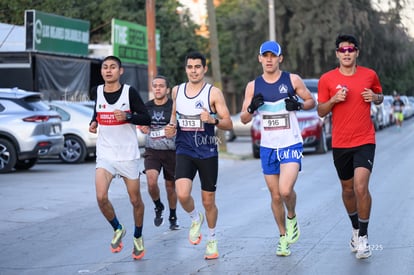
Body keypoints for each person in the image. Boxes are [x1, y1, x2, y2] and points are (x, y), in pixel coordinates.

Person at [240, 41, 315, 257]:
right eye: (266, 56)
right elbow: (244, 118)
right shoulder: (253, 86)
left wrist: (299, 105)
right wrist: (252, 107)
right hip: (268, 146)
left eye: (274, 56)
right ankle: (283, 238)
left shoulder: (292, 80)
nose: (269, 59)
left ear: (280, 58)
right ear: (260, 58)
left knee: (285, 190)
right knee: (274, 196)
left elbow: (311, 101)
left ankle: (291, 215)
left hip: (290, 142)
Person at [317, 34, 383, 259]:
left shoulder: (369, 74)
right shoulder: (326, 79)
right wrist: (334, 100)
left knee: (360, 187)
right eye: (342, 50)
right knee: (347, 189)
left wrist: (375, 97)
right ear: (337, 53)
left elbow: (380, 95)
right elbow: (320, 111)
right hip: (341, 142)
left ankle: (363, 237)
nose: (347, 53)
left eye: (350, 50)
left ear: (357, 53)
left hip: (365, 139)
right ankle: (355, 229)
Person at [164, 51, 233, 260]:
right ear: (185, 69)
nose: (193, 71)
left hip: (207, 150)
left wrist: (212, 119)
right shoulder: (177, 91)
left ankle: (212, 240)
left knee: (208, 200)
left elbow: (228, 123)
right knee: (182, 194)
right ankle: (195, 218)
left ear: (204, 69)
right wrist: (171, 127)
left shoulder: (213, 93)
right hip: (184, 149)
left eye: (197, 67)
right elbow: (174, 115)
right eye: (190, 67)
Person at [88, 55, 151, 260]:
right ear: (102, 71)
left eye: (113, 67)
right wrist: (93, 122)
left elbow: (145, 117)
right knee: (100, 197)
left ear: (120, 71)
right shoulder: (96, 91)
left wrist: (128, 117)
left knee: (135, 200)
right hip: (105, 154)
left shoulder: (129, 92)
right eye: (105, 67)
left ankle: (138, 236)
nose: (108, 70)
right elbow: (96, 112)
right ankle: (117, 228)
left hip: (127, 156)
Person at [140, 75, 179, 230]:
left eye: (161, 86)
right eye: (155, 86)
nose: (157, 88)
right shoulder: (146, 106)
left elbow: (181, 125)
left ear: (167, 89)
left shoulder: (173, 107)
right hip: (152, 151)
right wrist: (143, 127)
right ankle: (158, 206)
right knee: (151, 182)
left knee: (170, 187)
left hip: (171, 151)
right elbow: (141, 122)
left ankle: (173, 215)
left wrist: (174, 130)